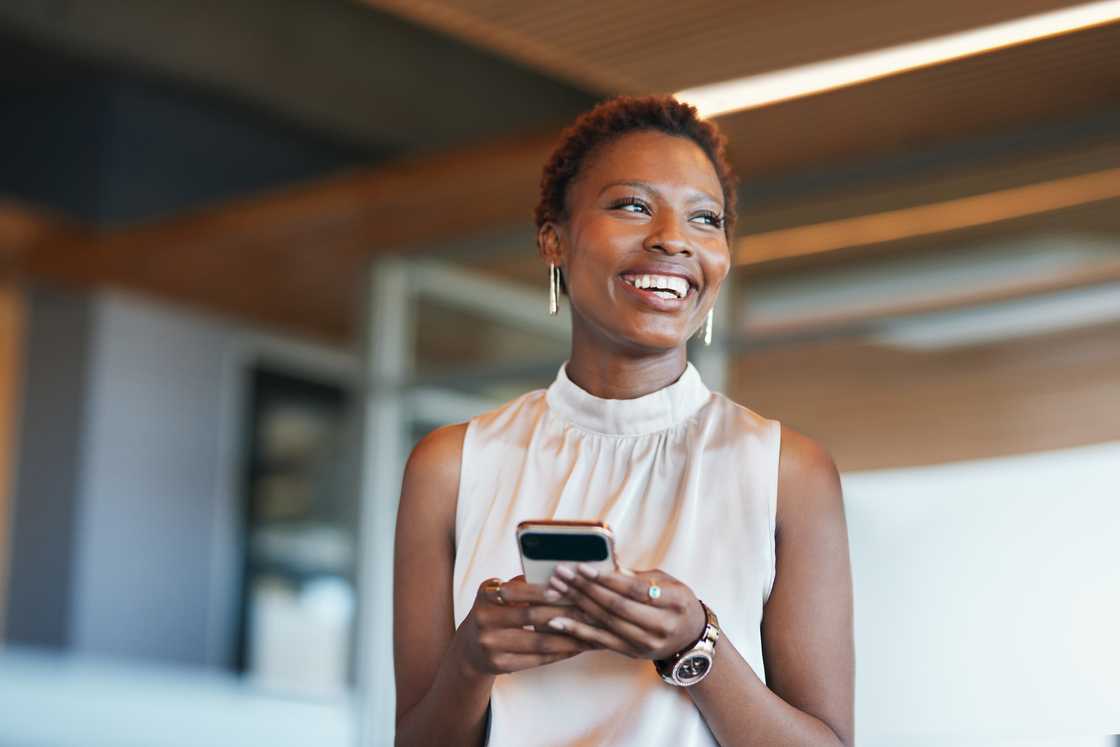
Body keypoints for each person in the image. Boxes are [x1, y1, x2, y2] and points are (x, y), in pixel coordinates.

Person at [393, 96, 854, 746]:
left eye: (705, 218)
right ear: (554, 238)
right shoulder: (450, 466)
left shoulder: (787, 471)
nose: (673, 238)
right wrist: (473, 659)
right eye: (633, 205)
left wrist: (697, 644)